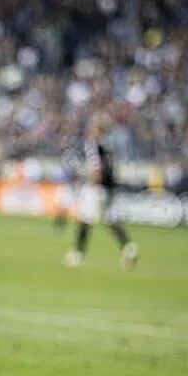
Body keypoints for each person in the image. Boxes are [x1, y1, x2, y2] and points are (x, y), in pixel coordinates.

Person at [65, 114, 138, 269]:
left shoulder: (92, 144)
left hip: (96, 188)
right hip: (109, 188)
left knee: (85, 219)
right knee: (111, 220)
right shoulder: (107, 146)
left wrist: (92, 185)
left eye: (93, 126)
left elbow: (96, 167)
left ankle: (78, 254)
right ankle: (128, 247)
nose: (90, 129)